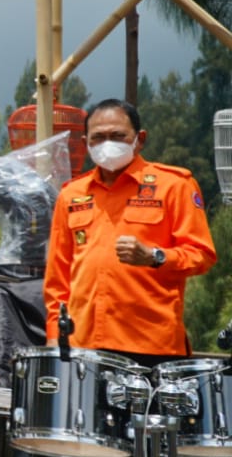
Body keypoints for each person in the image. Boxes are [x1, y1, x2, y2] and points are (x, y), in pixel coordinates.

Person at [44, 98, 216, 365]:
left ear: (140, 139)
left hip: (151, 345)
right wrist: (54, 335)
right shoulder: (72, 194)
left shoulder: (174, 185)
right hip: (82, 344)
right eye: (98, 138)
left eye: (117, 136)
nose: (107, 144)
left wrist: (155, 257)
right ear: (85, 142)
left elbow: (202, 255)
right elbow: (58, 276)